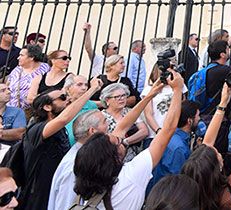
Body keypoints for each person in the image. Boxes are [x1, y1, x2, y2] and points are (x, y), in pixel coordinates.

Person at [71, 70, 183, 210]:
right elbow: (167, 130)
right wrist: (178, 90)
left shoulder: (86, 179)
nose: (121, 140)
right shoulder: (131, 176)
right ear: (115, 156)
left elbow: (122, 127)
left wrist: (150, 95)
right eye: (119, 142)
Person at [48, 80, 165, 210]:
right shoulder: (74, 165)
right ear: (93, 131)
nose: (109, 125)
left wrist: (149, 96)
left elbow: (123, 126)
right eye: (104, 122)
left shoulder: (94, 150)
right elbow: (66, 204)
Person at [18, 77, 102, 210]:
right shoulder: (36, 128)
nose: (67, 99)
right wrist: (92, 89)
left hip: (54, 189)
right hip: (36, 195)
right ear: (47, 107)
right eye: (62, 97)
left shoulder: (58, 130)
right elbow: (64, 118)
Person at [182, 82, 231, 210]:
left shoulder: (190, 198)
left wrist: (223, 103)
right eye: (217, 154)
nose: (219, 153)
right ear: (217, 168)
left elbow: (207, 144)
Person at [147, 100, 199, 194]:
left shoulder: (169, 135)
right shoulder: (180, 148)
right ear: (189, 121)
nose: (199, 119)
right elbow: (178, 179)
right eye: (197, 116)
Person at [100, 82, 149, 162]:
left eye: (123, 95)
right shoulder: (101, 116)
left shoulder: (131, 113)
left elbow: (144, 131)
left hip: (132, 157)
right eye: (117, 97)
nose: (121, 99)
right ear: (107, 100)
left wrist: (125, 142)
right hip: (109, 158)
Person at [143, 63, 186, 146]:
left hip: (174, 133)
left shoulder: (179, 86)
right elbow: (148, 114)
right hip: (154, 134)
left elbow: (182, 106)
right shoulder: (149, 89)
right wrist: (158, 130)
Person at [6, 45, 49, 113]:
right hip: (11, 109)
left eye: (21, 55)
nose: (18, 58)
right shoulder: (17, 70)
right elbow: (7, 86)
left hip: (32, 111)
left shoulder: (45, 69)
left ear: (31, 57)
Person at [63, 74, 99, 145]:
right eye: (79, 85)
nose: (84, 88)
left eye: (86, 85)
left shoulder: (91, 105)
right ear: (68, 88)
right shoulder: (61, 104)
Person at [0, 83, 25, 148]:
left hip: (9, 150)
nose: (8, 92)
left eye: (8, 89)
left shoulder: (17, 111)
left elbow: (19, 133)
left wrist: (1, 133)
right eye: (3, 90)